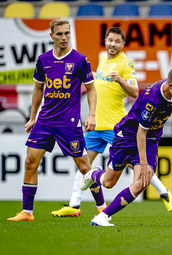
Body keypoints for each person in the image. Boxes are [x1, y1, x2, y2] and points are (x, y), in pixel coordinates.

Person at [51, 27, 172, 218]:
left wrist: (120, 80)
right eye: (110, 40)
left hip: (115, 125)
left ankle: (163, 192)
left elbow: (135, 92)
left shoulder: (125, 64)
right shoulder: (102, 59)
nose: (112, 44)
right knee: (84, 165)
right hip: (96, 124)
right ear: (105, 40)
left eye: (117, 41)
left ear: (123, 44)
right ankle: (75, 205)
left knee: (134, 163)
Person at [7, 18, 100, 221]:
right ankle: (27, 212)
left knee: (85, 168)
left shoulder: (80, 60)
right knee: (30, 161)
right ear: (52, 36)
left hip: (69, 122)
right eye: (59, 34)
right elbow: (38, 89)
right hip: (45, 121)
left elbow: (91, 89)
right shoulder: (43, 60)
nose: (64, 37)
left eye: (67, 33)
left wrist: (91, 114)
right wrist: (32, 117)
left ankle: (102, 210)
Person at [79, 66, 172, 226]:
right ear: (170, 86)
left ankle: (102, 216)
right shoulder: (152, 100)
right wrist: (144, 164)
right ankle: (95, 174)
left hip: (150, 140)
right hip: (128, 137)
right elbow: (141, 133)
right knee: (108, 183)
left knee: (142, 182)